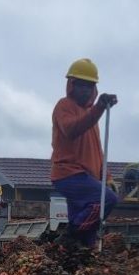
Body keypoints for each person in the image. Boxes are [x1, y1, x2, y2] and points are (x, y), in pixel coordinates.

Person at [50, 58, 120, 247]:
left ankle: (70, 259)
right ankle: (69, 235)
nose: (86, 90)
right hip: (68, 174)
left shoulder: (91, 116)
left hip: (86, 177)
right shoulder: (64, 106)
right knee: (107, 200)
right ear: (71, 85)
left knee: (87, 238)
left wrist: (108, 177)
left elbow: (97, 151)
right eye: (81, 85)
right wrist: (98, 108)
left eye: (90, 86)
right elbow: (71, 129)